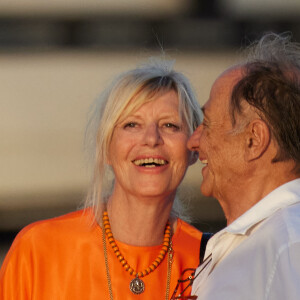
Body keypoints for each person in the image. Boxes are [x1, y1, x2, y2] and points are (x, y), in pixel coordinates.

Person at [0, 58, 204, 299]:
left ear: (193, 148)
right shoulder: (37, 250)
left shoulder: (209, 260)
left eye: (170, 125)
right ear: (106, 147)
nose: (151, 138)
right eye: (132, 125)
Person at [188, 32, 300, 299]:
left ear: (254, 140)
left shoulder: (289, 245)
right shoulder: (272, 240)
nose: (193, 141)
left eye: (208, 123)